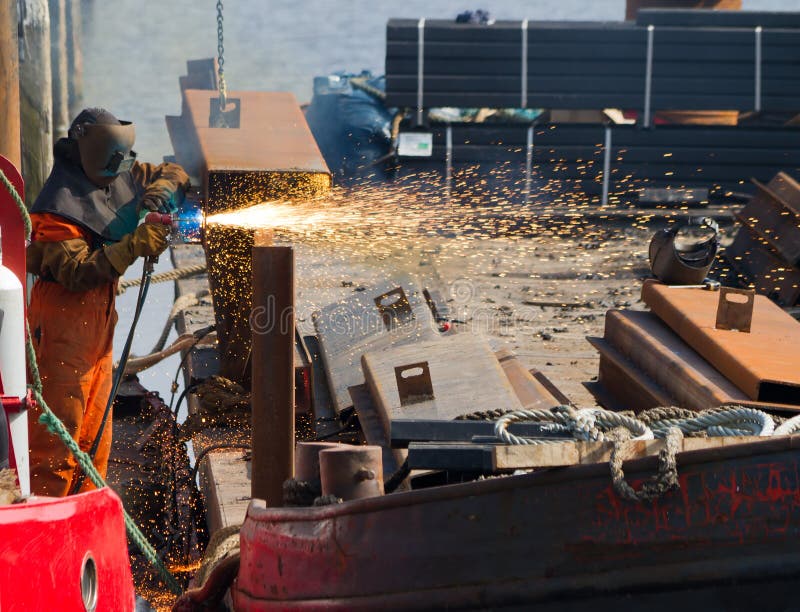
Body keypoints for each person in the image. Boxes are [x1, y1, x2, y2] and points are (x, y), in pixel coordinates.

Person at [26, 108, 190, 496]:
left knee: (95, 438)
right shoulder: (56, 207)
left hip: (99, 326)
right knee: (58, 445)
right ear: (94, 151)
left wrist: (155, 201)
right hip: (63, 325)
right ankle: (48, 529)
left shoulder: (120, 175)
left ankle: (85, 523)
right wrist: (132, 245)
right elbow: (76, 272)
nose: (123, 169)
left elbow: (175, 172)